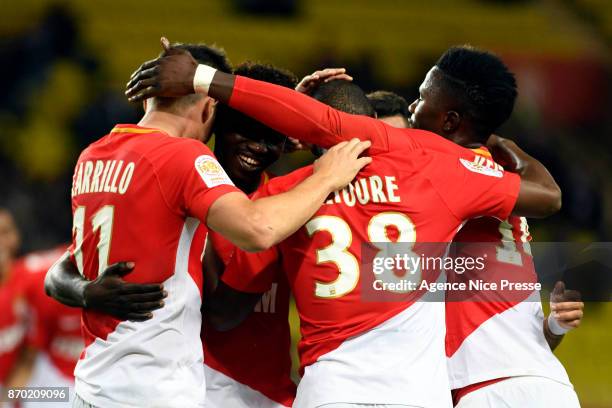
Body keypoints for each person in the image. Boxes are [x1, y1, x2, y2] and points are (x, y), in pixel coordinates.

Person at [124, 38, 562, 407]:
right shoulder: (435, 166)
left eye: (421, 99)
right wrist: (496, 143)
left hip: (330, 390)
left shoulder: (284, 196)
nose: (412, 109)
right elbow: (547, 197)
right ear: (369, 123)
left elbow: (224, 312)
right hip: (418, 394)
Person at [45, 42, 371, 408]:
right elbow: (258, 230)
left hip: (94, 384)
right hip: (155, 389)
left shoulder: (95, 155)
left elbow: (65, 265)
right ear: (210, 106)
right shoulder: (184, 158)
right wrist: (324, 176)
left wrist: (286, 111)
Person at [403, 46, 582, 407]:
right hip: (548, 384)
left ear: (450, 121)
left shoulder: (446, 177)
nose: (412, 108)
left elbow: (553, 196)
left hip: (486, 390)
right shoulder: (504, 185)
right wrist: (554, 327)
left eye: (421, 98)